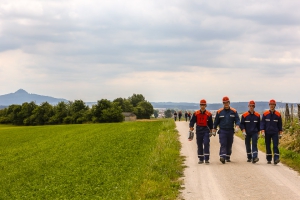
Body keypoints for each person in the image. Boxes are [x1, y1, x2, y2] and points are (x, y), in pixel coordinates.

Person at [212, 96, 240, 164]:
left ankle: (227, 156)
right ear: (223, 103)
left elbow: (237, 120)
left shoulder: (234, 111)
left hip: (230, 130)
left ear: (229, 103)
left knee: (229, 144)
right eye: (224, 103)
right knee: (223, 143)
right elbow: (216, 121)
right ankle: (222, 156)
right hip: (222, 131)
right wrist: (214, 129)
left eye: (227, 102)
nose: (226, 104)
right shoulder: (219, 112)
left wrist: (237, 126)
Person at [189, 99, 213, 164]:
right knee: (199, 144)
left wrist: (211, 130)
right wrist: (191, 127)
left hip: (206, 130)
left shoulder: (209, 114)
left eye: (204, 105)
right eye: (201, 105)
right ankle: (201, 158)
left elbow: (211, 123)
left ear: (206, 105)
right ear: (200, 105)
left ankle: (207, 159)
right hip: (199, 130)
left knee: (206, 143)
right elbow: (192, 121)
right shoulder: (196, 113)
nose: (202, 106)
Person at [260, 99, 283, 165]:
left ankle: (276, 158)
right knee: (268, 145)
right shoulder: (265, 114)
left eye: (273, 104)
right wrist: (263, 131)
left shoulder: (278, 114)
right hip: (267, 132)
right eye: (271, 104)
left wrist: (280, 132)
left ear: (275, 105)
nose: (272, 106)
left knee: (275, 145)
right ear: (269, 105)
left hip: (275, 132)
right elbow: (262, 123)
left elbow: (280, 124)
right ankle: (269, 159)